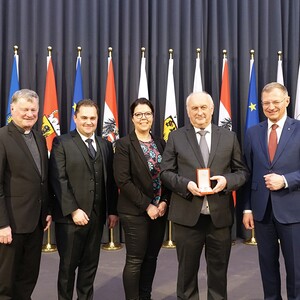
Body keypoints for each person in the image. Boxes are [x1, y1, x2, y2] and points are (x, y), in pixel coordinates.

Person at [160, 91, 248, 300]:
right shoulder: (176, 137)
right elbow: (165, 173)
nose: (199, 112)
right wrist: (186, 185)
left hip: (219, 218)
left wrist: (227, 182)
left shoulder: (229, 137)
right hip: (187, 217)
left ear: (212, 109)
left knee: (219, 274)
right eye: (194, 108)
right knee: (186, 275)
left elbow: (242, 172)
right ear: (188, 112)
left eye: (203, 107)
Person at [49, 99, 118, 300]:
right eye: (84, 118)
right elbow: (58, 179)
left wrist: (112, 210)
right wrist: (73, 210)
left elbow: (111, 182)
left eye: (93, 118)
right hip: (71, 221)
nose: (89, 122)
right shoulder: (62, 142)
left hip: (96, 219)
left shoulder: (105, 145)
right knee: (68, 269)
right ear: (75, 118)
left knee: (89, 268)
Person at [243, 82, 300, 300]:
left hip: (293, 211)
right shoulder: (252, 132)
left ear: (287, 101)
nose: (271, 107)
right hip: (262, 212)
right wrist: (247, 208)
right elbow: (247, 173)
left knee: (296, 270)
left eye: (276, 102)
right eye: (266, 103)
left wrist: (285, 180)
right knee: (267, 269)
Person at [113, 98, 170, 300]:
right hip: (135, 212)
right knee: (135, 260)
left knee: (151, 257)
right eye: (139, 114)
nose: (143, 118)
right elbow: (123, 180)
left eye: (147, 113)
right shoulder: (123, 145)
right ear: (132, 118)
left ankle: (145, 296)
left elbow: (168, 176)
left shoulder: (162, 143)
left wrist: (163, 202)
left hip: (159, 212)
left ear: (153, 117)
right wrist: (147, 205)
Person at [0, 89, 52, 299]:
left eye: (33, 110)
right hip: (11, 224)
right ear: (13, 109)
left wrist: (47, 209)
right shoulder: (2, 137)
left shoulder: (39, 137)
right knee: (5, 282)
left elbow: (42, 179)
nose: (29, 114)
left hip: (36, 222)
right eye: (25, 109)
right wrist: (2, 224)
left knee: (28, 278)